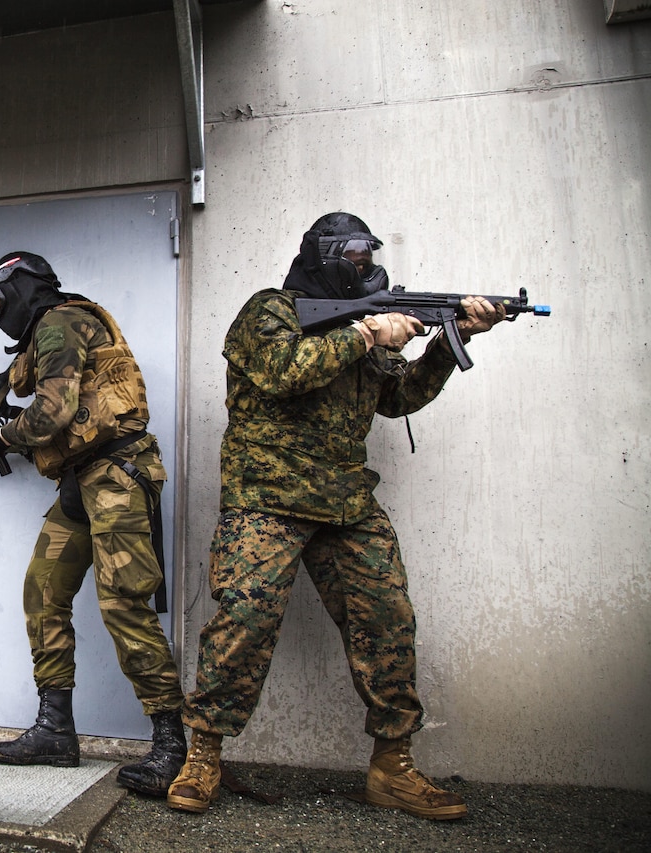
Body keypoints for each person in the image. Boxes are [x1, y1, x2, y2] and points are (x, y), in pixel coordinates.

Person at [166, 212, 507, 820]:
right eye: (351, 256)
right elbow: (281, 373)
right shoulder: (269, 311)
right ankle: (204, 754)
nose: (363, 265)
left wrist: (456, 340)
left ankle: (391, 767)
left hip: (346, 502)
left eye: (367, 256)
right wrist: (367, 334)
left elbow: (398, 398)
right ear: (320, 256)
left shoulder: (363, 322)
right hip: (264, 498)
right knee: (243, 623)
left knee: (388, 620)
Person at [0, 251, 186, 796]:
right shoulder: (48, 331)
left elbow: (52, 413)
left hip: (116, 474)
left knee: (123, 603)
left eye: (0, 298)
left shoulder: (61, 321)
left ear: (20, 289)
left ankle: (171, 742)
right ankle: (55, 729)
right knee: (43, 590)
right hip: (81, 479)